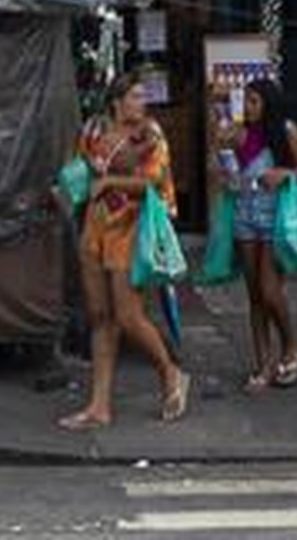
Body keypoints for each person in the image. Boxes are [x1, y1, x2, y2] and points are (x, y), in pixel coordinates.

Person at [60, 75, 190, 430]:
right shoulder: (94, 130)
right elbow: (81, 168)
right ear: (117, 101)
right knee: (100, 316)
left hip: (131, 226)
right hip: (95, 225)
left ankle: (170, 372)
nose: (142, 102)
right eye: (135, 96)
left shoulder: (150, 134)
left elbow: (154, 181)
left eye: (143, 96)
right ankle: (99, 406)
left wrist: (111, 181)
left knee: (128, 314)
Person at [218, 78, 297, 393]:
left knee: (269, 289)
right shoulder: (240, 134)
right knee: (254, 295)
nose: (248, 107)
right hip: (245, 216)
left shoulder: (287, 130)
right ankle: (263, 364)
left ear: (269, 103)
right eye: (245, 100)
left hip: (278, 219)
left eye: (254, 101)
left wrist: (285, 174)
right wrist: (222, 154)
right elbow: (227, 174)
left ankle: (291, 346)